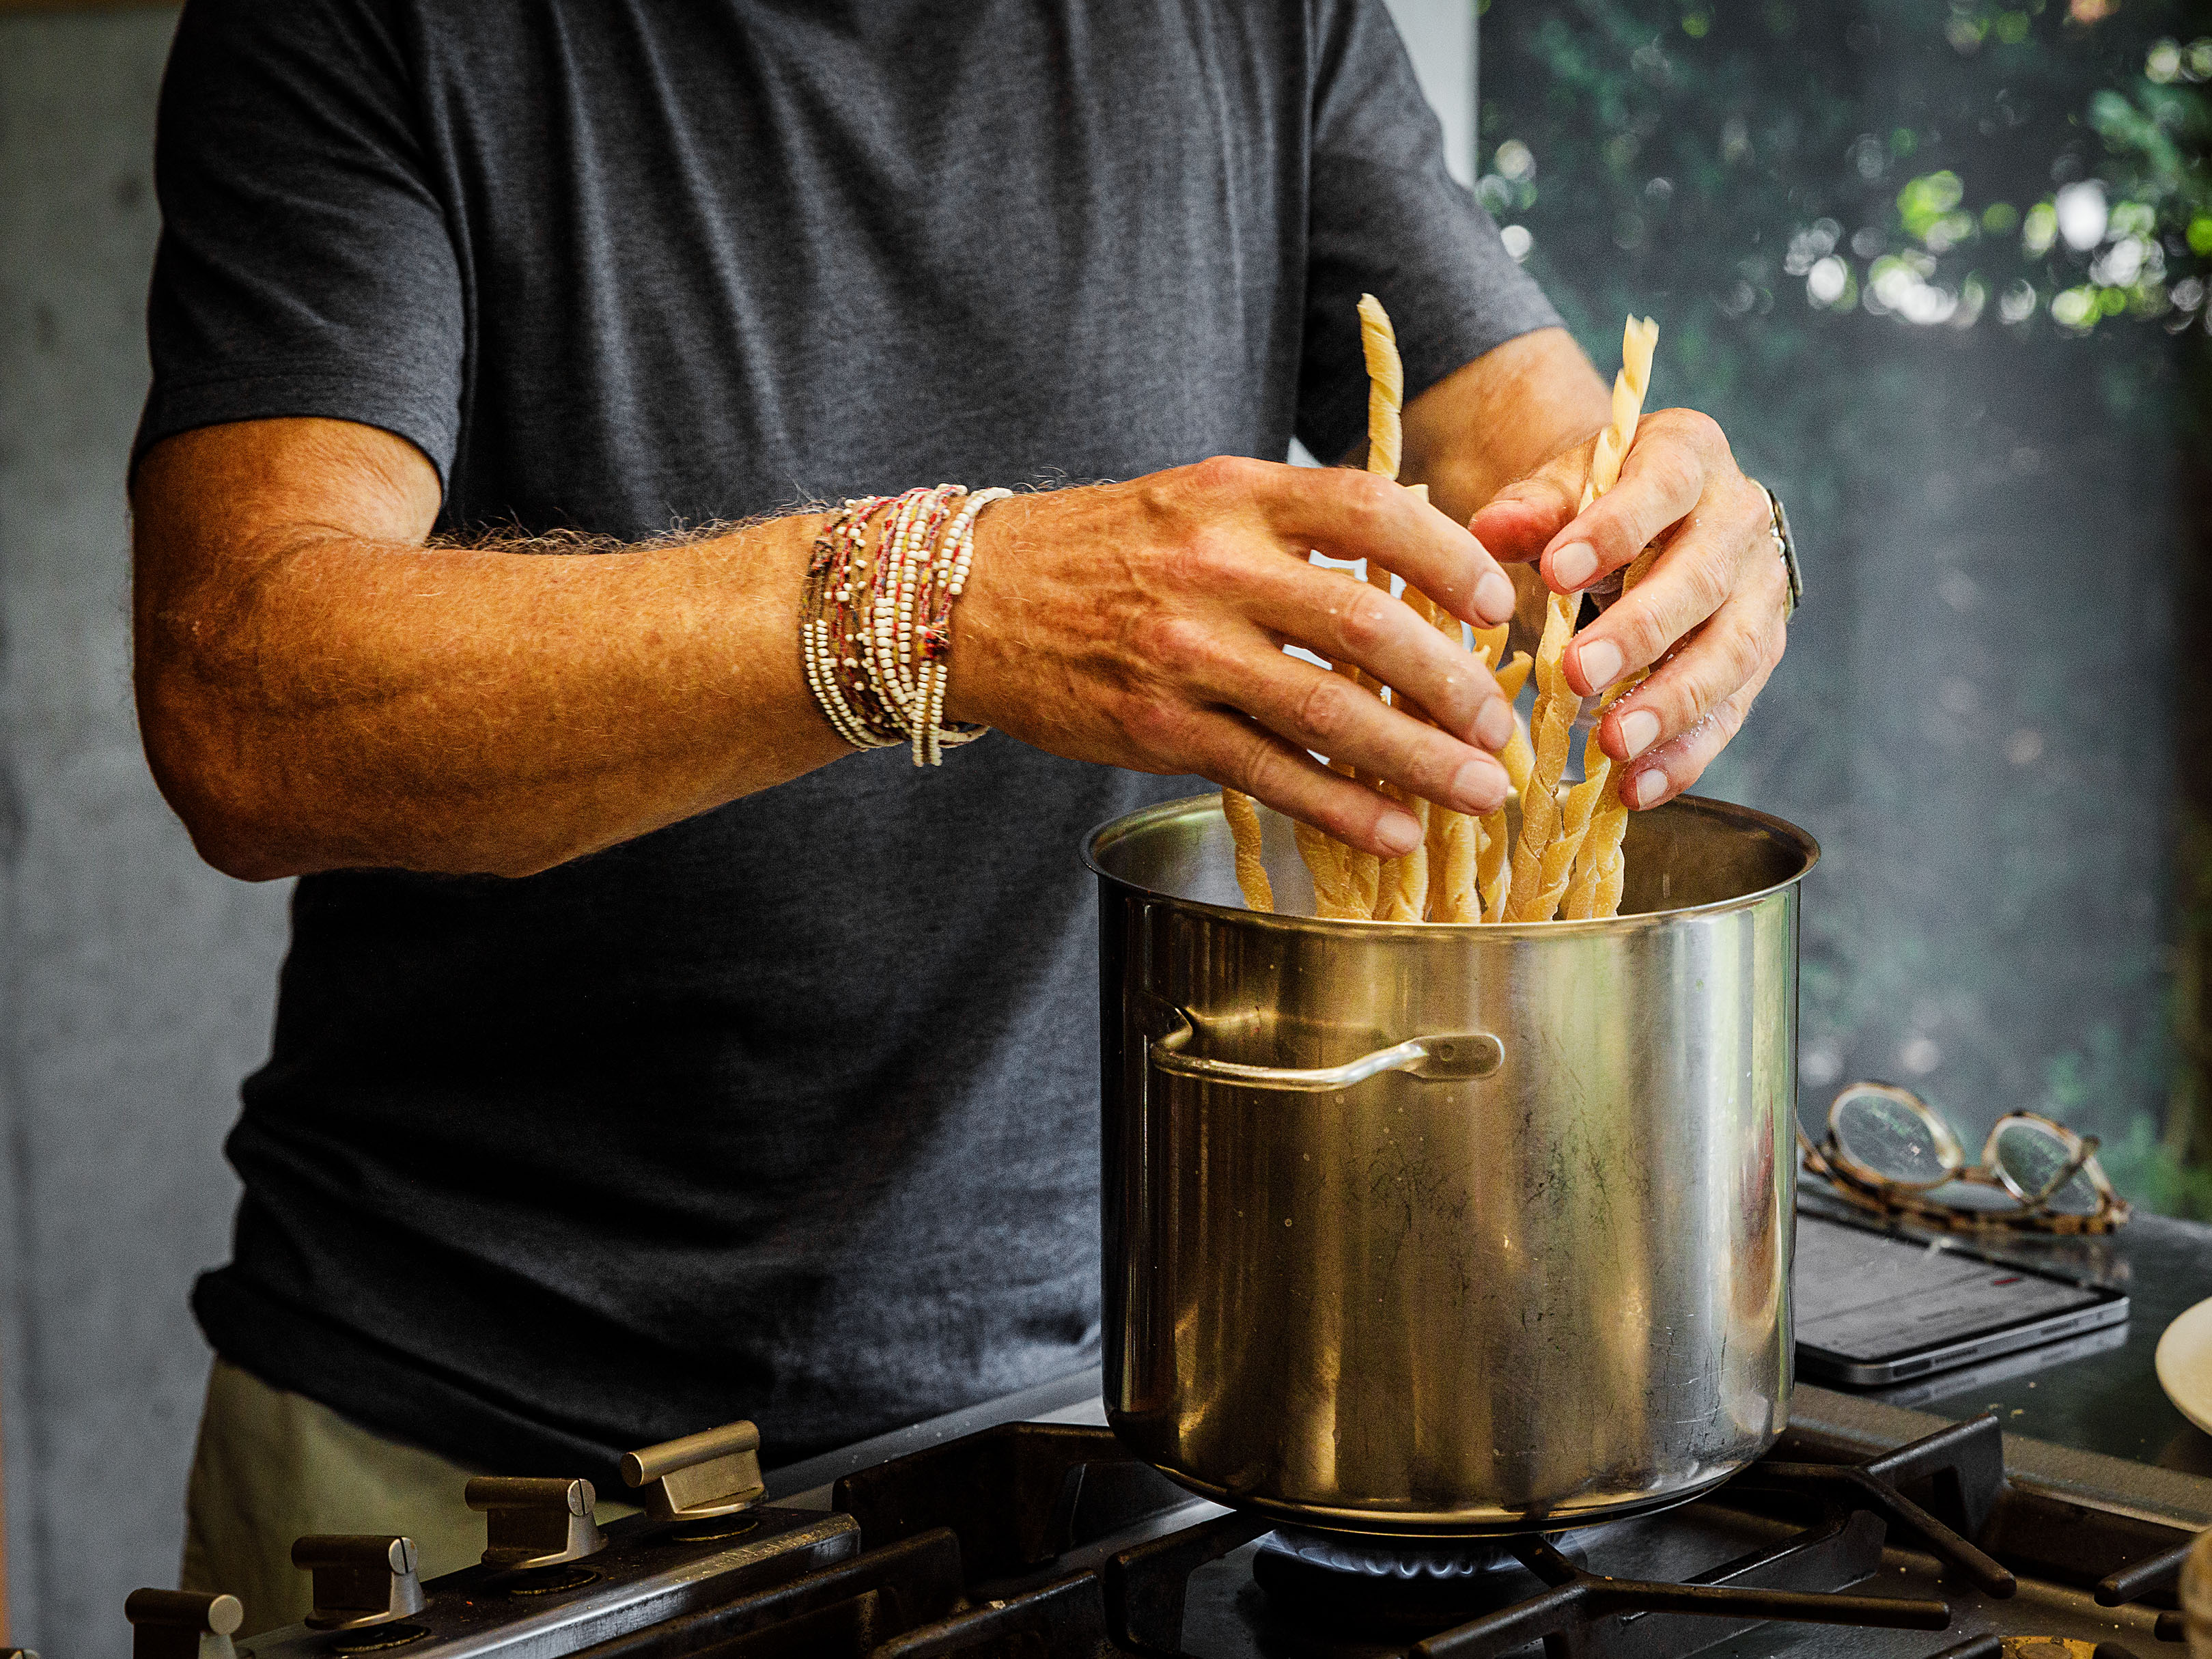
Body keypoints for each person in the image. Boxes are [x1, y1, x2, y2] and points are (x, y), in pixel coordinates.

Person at [130, 0, 1792, 1630]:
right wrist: (941, 601)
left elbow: (1521, 459)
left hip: (1105, 1418)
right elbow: (242, 702)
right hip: (471, 1471)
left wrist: (1672, 547)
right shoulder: (369, 30)